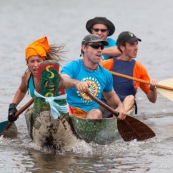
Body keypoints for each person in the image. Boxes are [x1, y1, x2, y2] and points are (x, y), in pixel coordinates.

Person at [61, 34, 125, 120]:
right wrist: (76, 83)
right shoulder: (72, 66)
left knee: (96, 112)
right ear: (84, 48)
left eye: (101, 47)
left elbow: (110, 96)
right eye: (95, 46)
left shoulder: (106, 74)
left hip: (91, 115)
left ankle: (86, 131)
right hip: (70, 112)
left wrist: (120, 106)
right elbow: (62, 80)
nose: (99, 50)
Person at [8, 36, 64, 122]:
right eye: (32, 61)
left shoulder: (53, 76)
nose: (35, 65)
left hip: (57, 112)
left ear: (45, 62)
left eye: (39, 61)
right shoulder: (26, 77)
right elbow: (21, 90)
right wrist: (13, 106)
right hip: (40, 112)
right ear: (27, 63)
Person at [100, 31, 157, 114]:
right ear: (122, 47)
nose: (136, 47)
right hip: (106, 104)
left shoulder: (139, 68)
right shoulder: (107, 64)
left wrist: (153, 88)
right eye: (132, 45)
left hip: (125, 106)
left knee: (130, 98)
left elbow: (152, 99)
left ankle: (119, 116)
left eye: (136, 44)